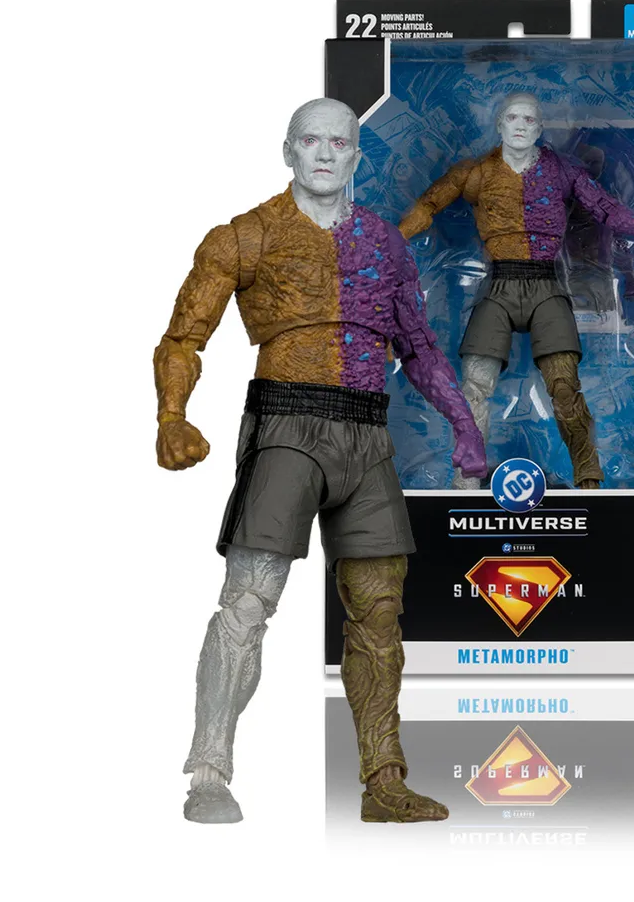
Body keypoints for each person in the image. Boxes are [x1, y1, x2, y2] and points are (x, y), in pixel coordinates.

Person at [154, 98, 486, 823]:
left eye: (340, 142)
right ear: (289, 151)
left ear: (357, 155)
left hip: (367, 436)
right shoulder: (245, 235)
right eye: (312, 141)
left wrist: (463, 422)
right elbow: (182, 338)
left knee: (381, 611)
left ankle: (384, 782)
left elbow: (420, 347)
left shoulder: (385, 243)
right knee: (248, 600)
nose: (326, 154)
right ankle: (208, 771)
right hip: (286, 427)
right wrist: (171, 418)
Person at [399, 93, 634, 489]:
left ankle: (589, 480)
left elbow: (606, 207)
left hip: (546, 286)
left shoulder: (563, 172)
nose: (520, 125)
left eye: (529, 119)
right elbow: (428, 204)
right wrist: (392, 239)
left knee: (564, 387)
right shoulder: (476, 173)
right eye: (513, 117)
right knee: (474, 388)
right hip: (498, 286)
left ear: (540, 127)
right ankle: (465, 482)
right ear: (500, 124)